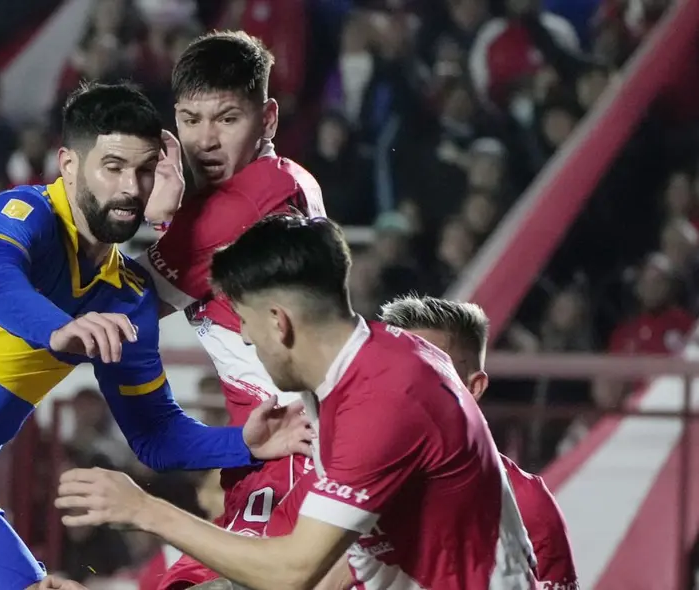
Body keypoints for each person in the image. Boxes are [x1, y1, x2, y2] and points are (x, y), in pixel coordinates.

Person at [0, 83, 310, 590]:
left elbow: (156, 435)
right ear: (69, 165)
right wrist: (60, 328)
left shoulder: (126, 297)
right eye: (112, 167)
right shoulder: (21, 213)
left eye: (142, 171)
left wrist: (245, 444)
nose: (130, 188)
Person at [54, 215, 537, 590]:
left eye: (244, 320)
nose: (243, 337)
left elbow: (294, 572)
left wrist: (143, 510)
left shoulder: (385, 400)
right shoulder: (357, 372)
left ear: (279, 321)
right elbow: (334, 568)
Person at [264, 296, 579, 589]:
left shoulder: (529, 506)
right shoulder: (325, 488)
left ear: (474, 388)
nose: (406, 392)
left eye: (428, 376)